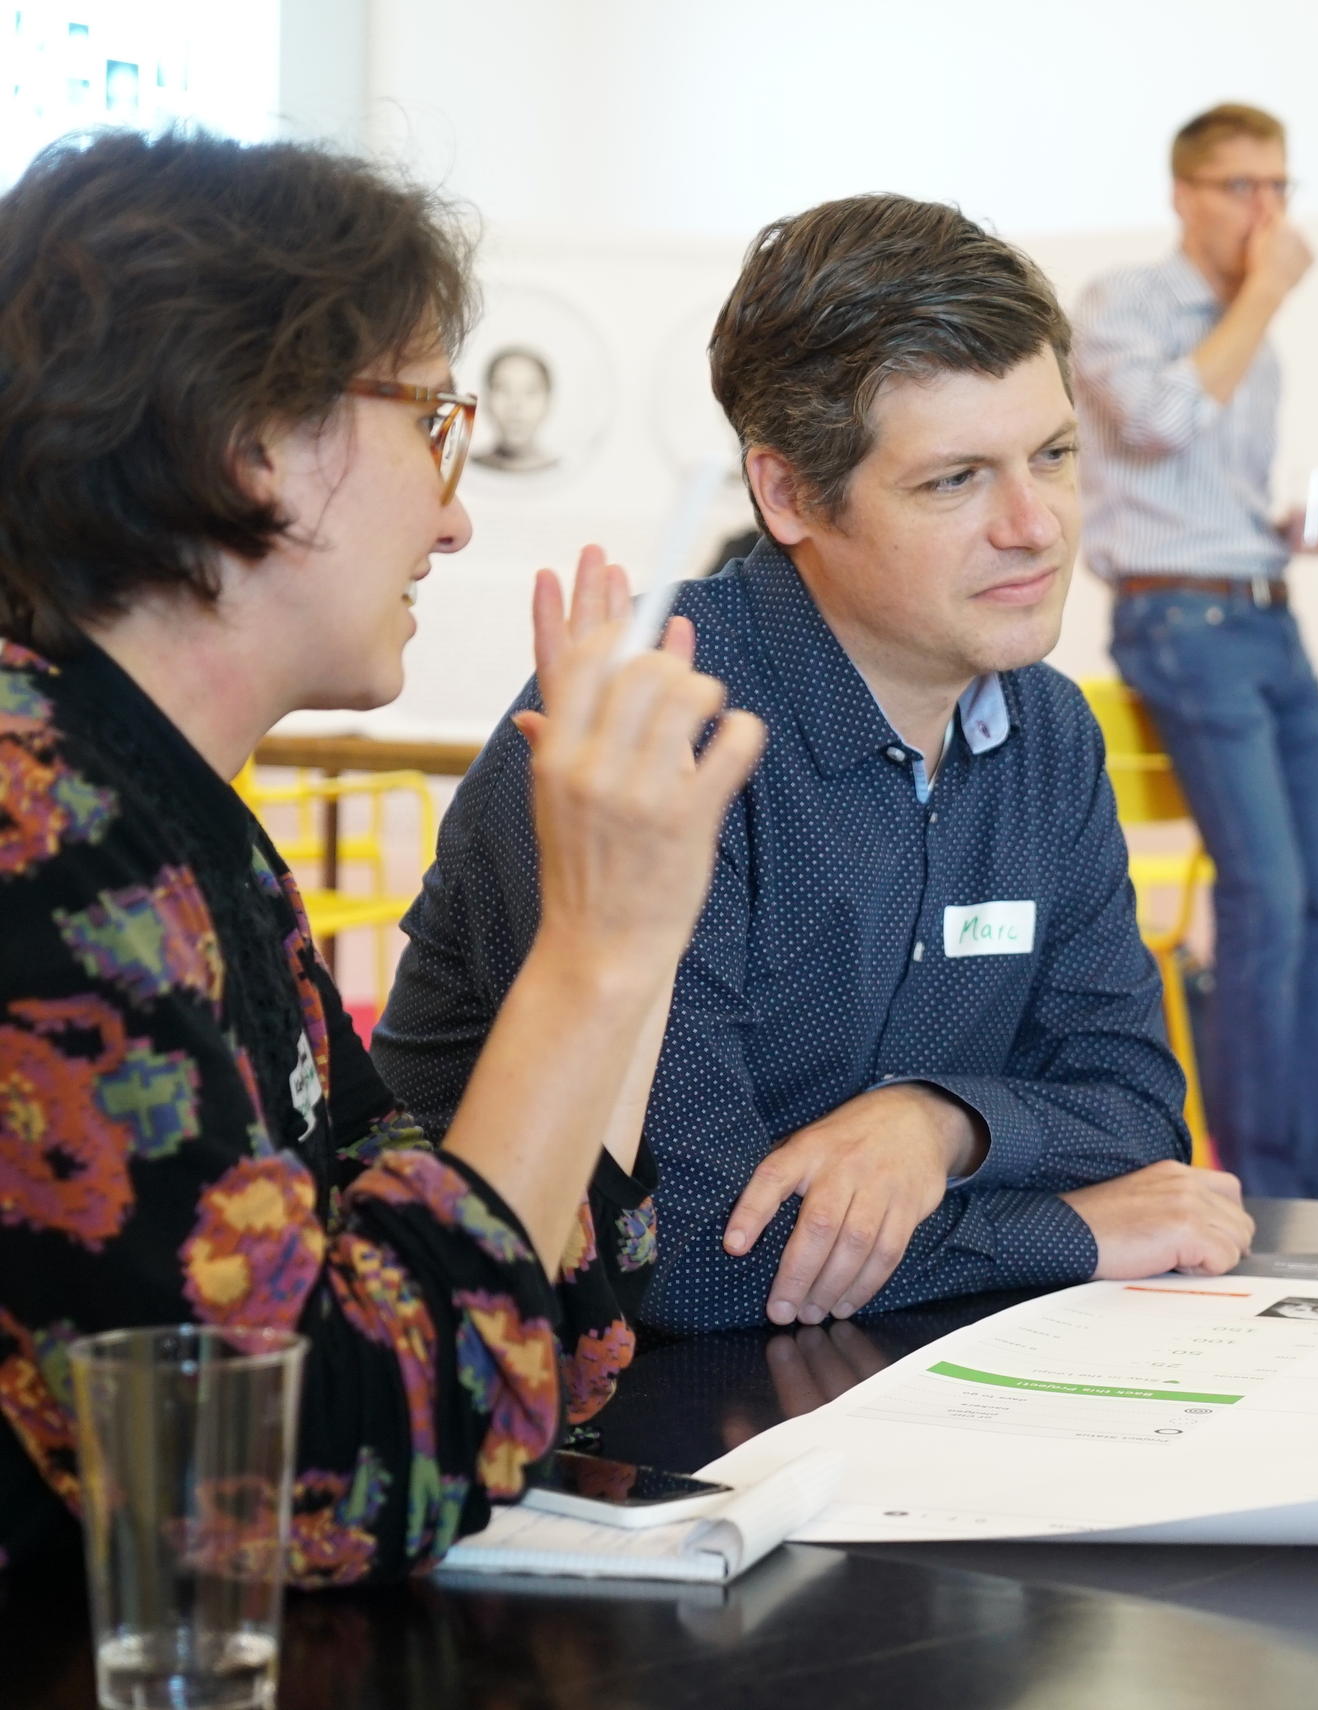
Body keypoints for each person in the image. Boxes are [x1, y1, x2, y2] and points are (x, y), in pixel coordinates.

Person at [0, 132, 762, 1583]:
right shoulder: (39, 834)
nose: (457, 509)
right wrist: (590, 950)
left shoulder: (167, 812)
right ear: (249, 443)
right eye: (432, 423)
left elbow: (533, 1324)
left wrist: (641, 933)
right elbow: (305, 1477)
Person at [376, 194, 1252, 1334]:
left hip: (879, 1393)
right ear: (787, 492)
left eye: (1053, 455)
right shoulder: (648, 722)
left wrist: (936, 1124)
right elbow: (680, 1253)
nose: (1036, 525)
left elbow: (1135, 1111)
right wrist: (1075, 1229)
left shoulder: (1050, 733)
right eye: (955, 480)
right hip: (540, 1414)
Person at [1071, 103, 1318, 1202]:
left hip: (1261, 606)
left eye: (1280, 187)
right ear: (1184, 194)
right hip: (1180, 624)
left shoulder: (1257, 330)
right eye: (1243, 186)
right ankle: (1272, 1190)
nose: (1267, 212)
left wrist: (1285, 531)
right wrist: (1263, 292)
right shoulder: (1123, 304)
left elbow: (1206, 486)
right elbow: (1157, 424)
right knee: (1269, 896)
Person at [473, 345, 559, 473]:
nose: (515, 405)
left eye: (530, 391)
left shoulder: (565, 473)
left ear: (549, 401)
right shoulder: (463, 470)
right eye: (503, 389)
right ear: (486, 399)